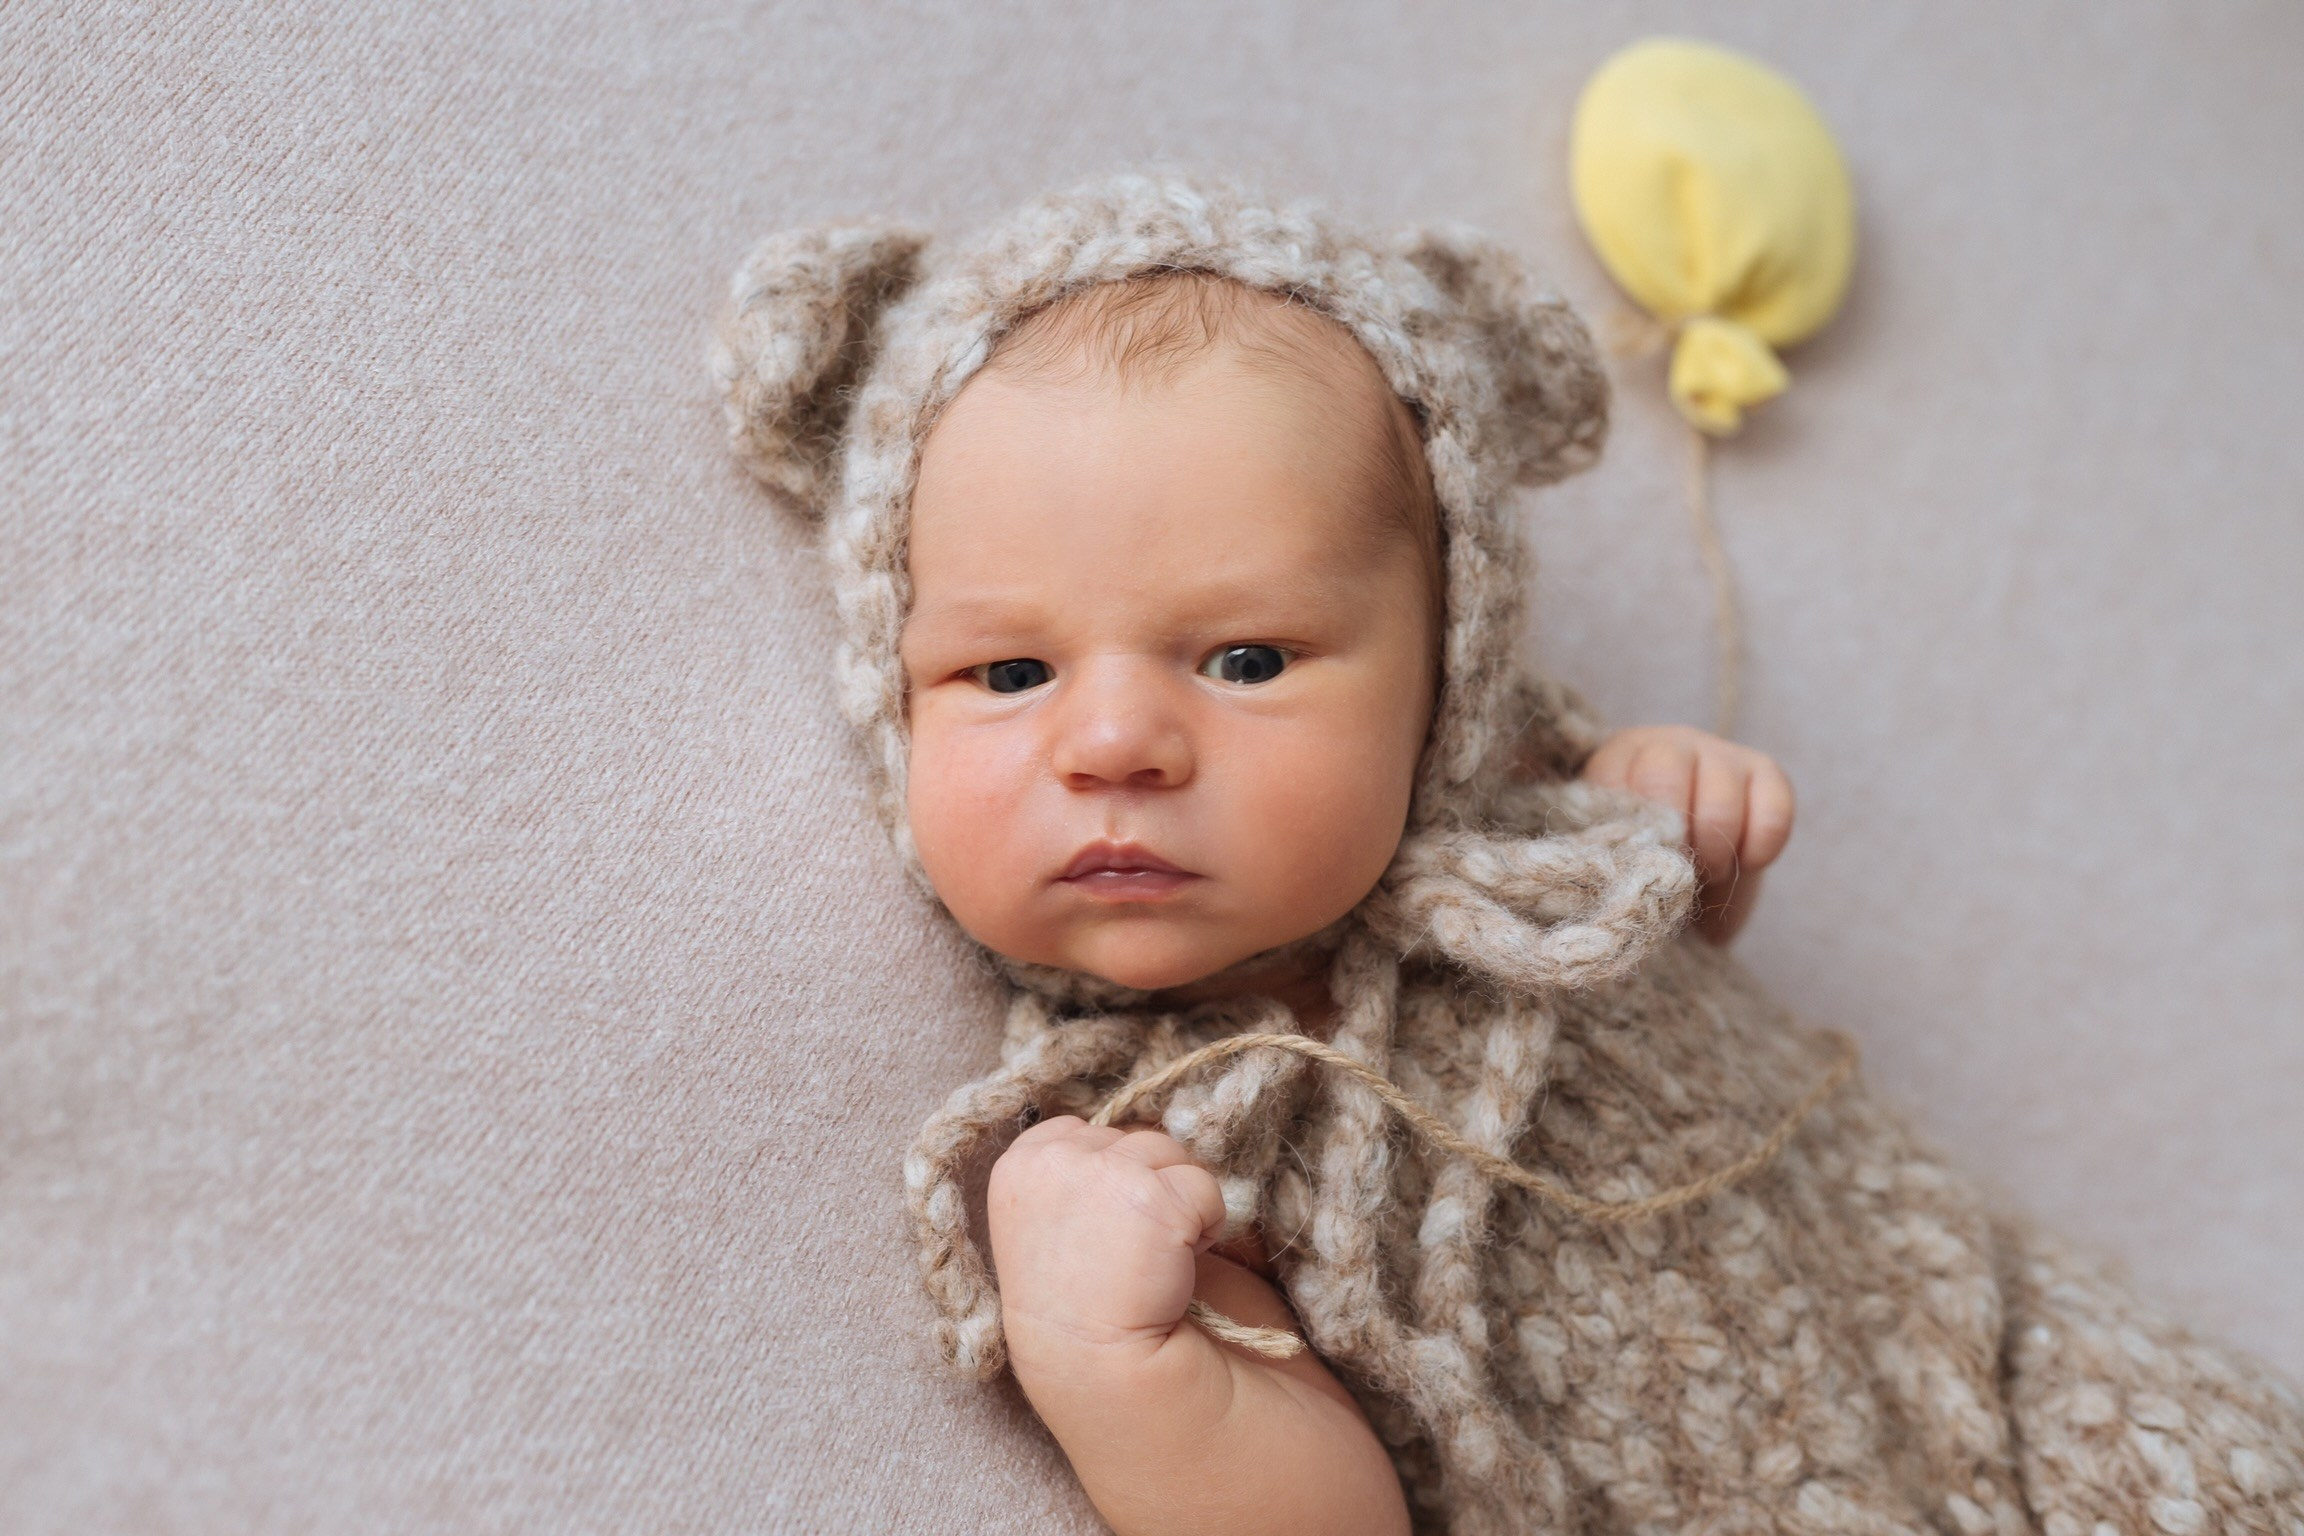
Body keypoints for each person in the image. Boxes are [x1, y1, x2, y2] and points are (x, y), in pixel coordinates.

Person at [714, 175, 2304, 1536]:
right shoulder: (1154, 1143)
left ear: (1446, 683)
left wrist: (1675, 824)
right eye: (1009, 675)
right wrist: (1118, 1356)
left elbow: (1658, 1002)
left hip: (1979, 1341)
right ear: (891, 692)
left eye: (1248, 659)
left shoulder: (1542, 842)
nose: (1115, 741)